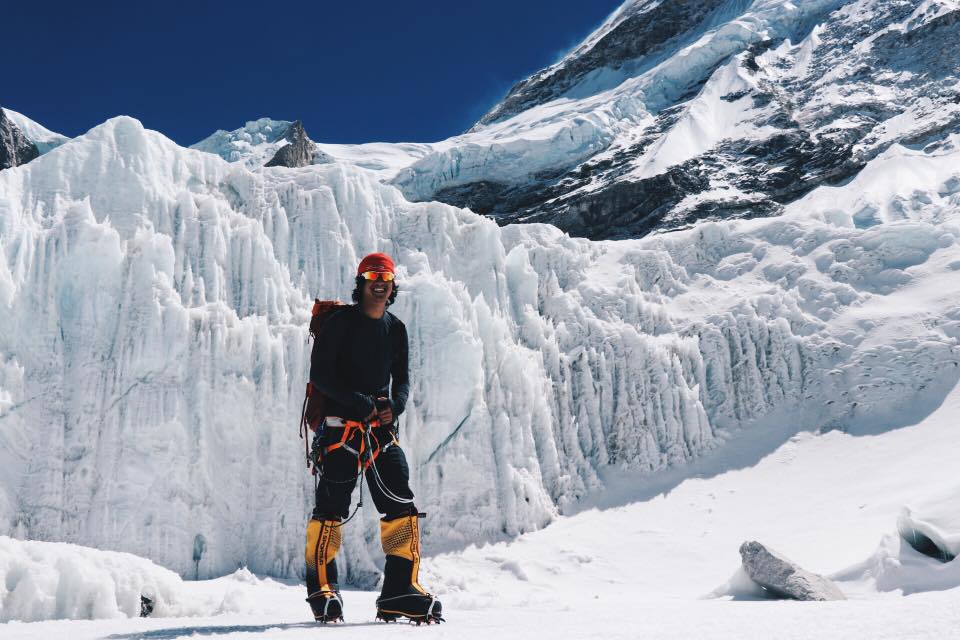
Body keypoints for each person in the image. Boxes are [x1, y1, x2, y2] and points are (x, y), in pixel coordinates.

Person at [303, 252, 443, 624]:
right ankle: (322, 589)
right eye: (371, 276)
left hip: (380, 430)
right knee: (331, 507)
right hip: (341, 428)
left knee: (400, 502)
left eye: (385, 277)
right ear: (361, 283)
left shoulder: (396, 329)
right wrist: (359, 402)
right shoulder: (340, 324)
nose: (379, 283)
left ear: (392, 285)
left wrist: (394, 407)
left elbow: (403, 379)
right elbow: (321, 374)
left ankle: (400, 590)